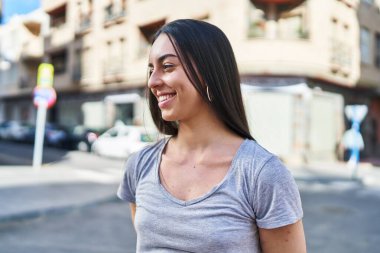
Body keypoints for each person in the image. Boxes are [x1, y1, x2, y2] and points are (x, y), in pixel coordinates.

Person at [117, 19, 306, 253]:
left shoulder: (262, 174)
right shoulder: (139, 164)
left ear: (208, 72)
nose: (153, 81)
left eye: (167, 66)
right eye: (150, 70)